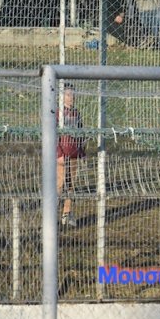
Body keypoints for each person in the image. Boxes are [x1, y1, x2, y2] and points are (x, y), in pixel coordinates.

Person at [57, 84, 86, 228]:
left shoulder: (76, 113)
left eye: (73, 95)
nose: (71, 97)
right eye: (68, 95)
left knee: (70, 185)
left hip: (74, 154)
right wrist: (59, 154)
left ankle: (67, 214)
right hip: (62, 155)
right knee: (59, 185)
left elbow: (81, 134)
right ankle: (52, 214)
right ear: (61, 96)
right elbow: (54, 135)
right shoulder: (57, 112)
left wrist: (82, 152)